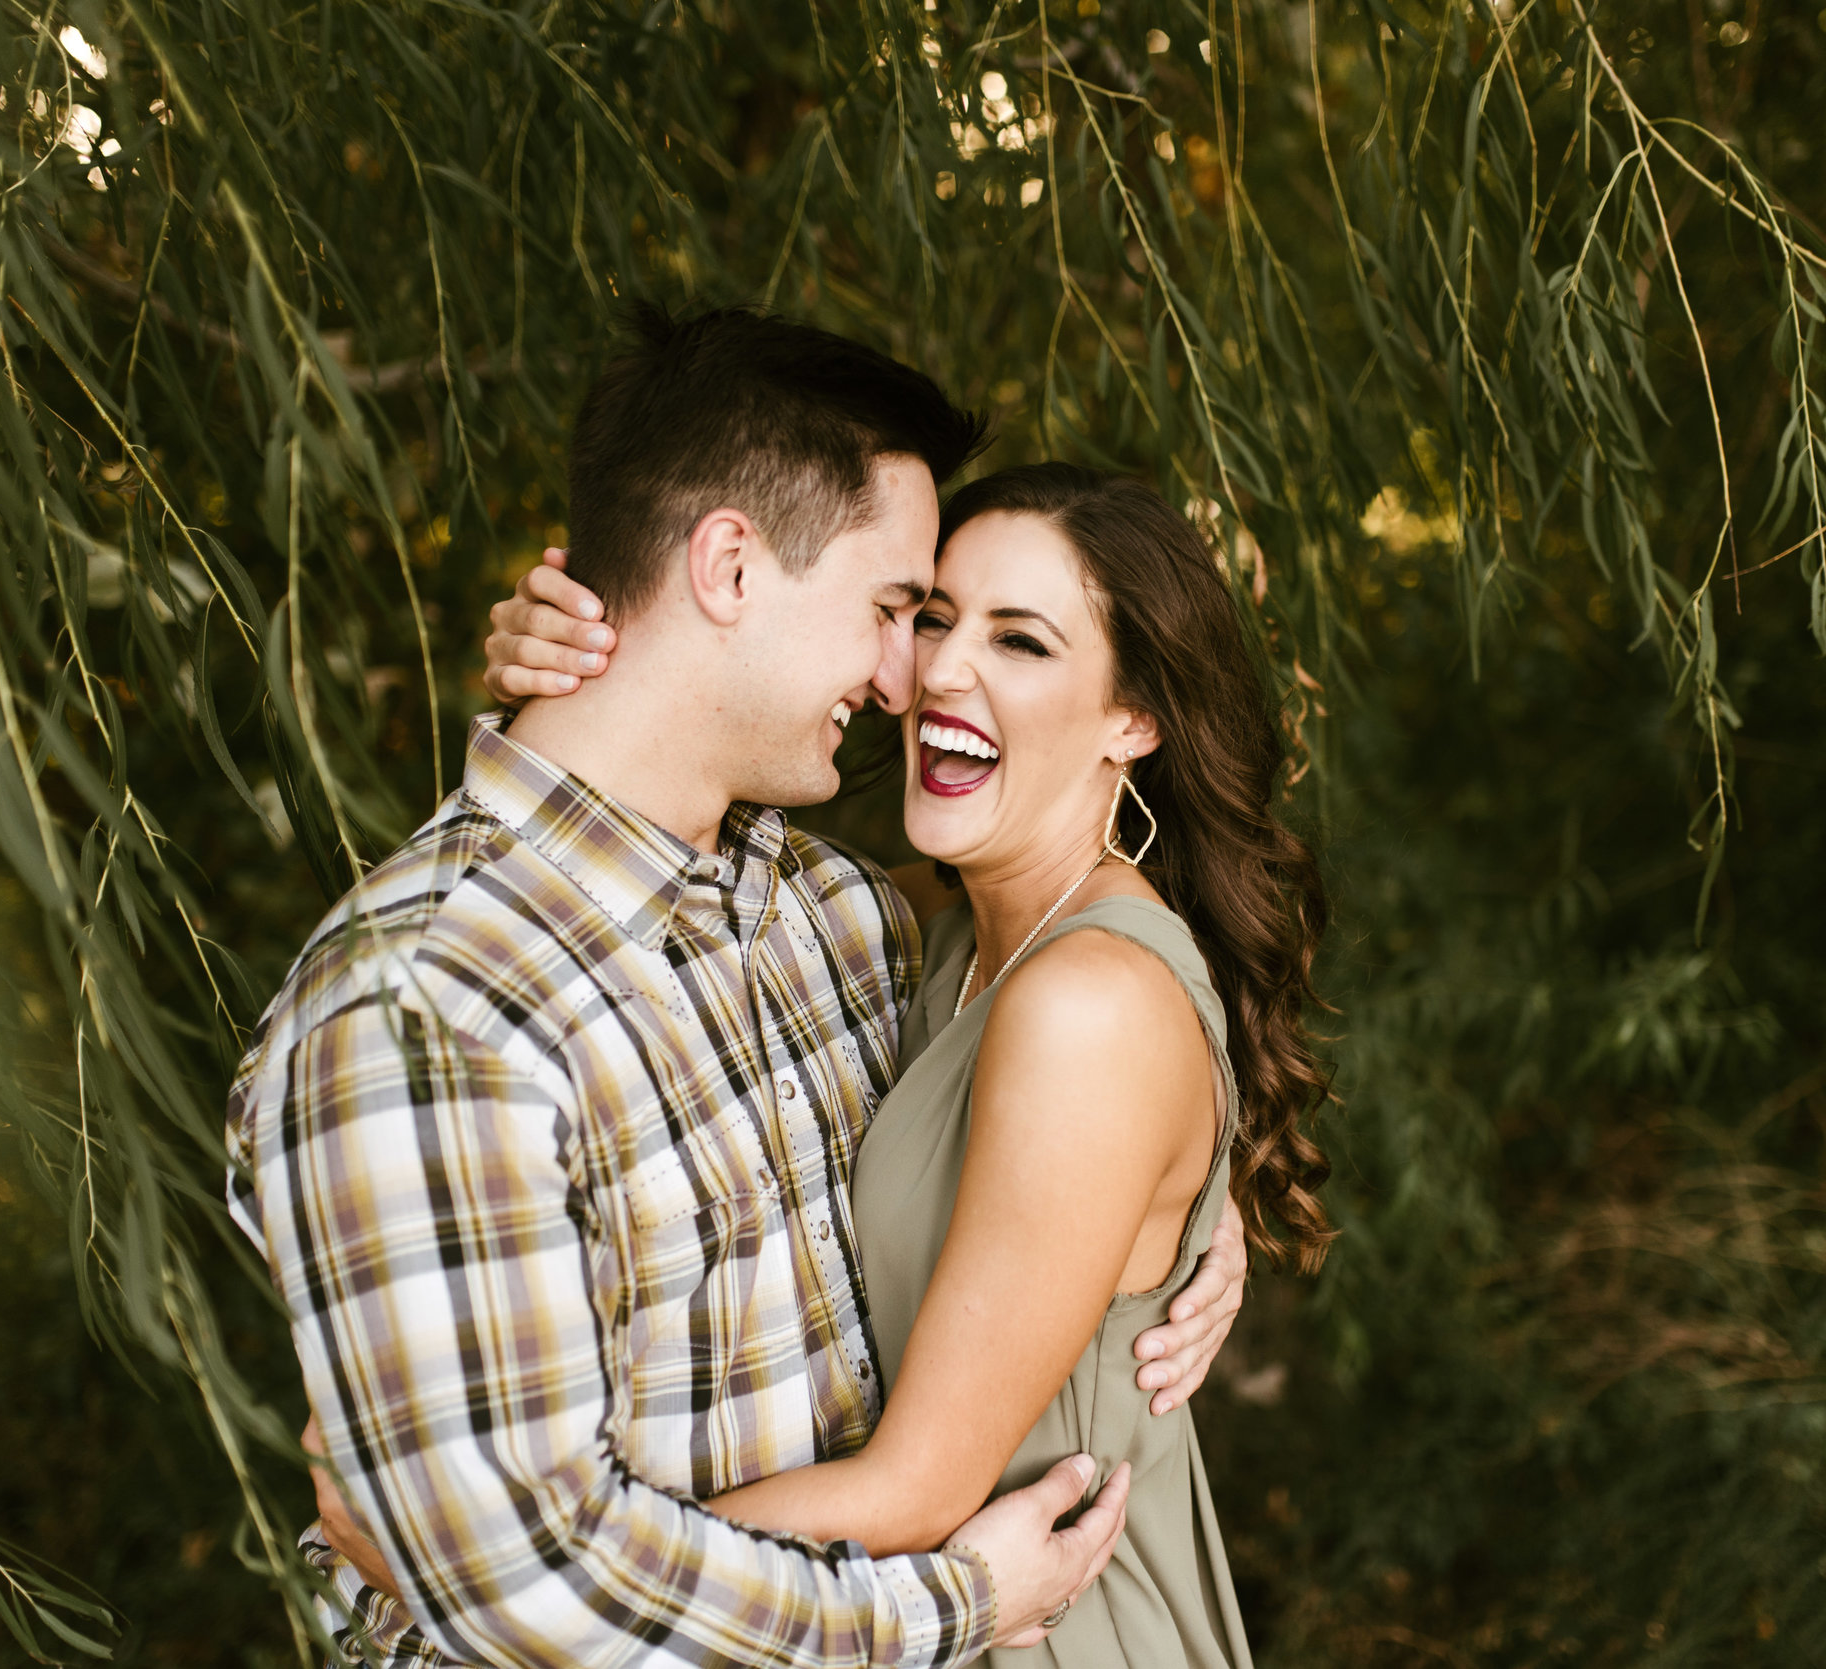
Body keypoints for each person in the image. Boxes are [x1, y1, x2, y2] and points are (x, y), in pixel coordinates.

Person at [227, 307, 1246, 1669]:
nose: (910, 678)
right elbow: (531, 1604)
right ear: (727, 563)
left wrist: (1177, 1225)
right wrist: (946, 1606)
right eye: (904, 609)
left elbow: (1067, 1041)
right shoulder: (418, 1014)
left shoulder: (830, 922)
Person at [481, 462, 1336, 1666]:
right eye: (931, 616)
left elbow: (913, 1492)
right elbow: (606, 905)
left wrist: (506, 1594)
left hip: (1048, 1620)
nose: (940, 666)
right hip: (921, 1621)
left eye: (1022, 641)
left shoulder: (1085, 1005)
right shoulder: (933, 930)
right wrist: (585, 678)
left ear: (1131, 720)